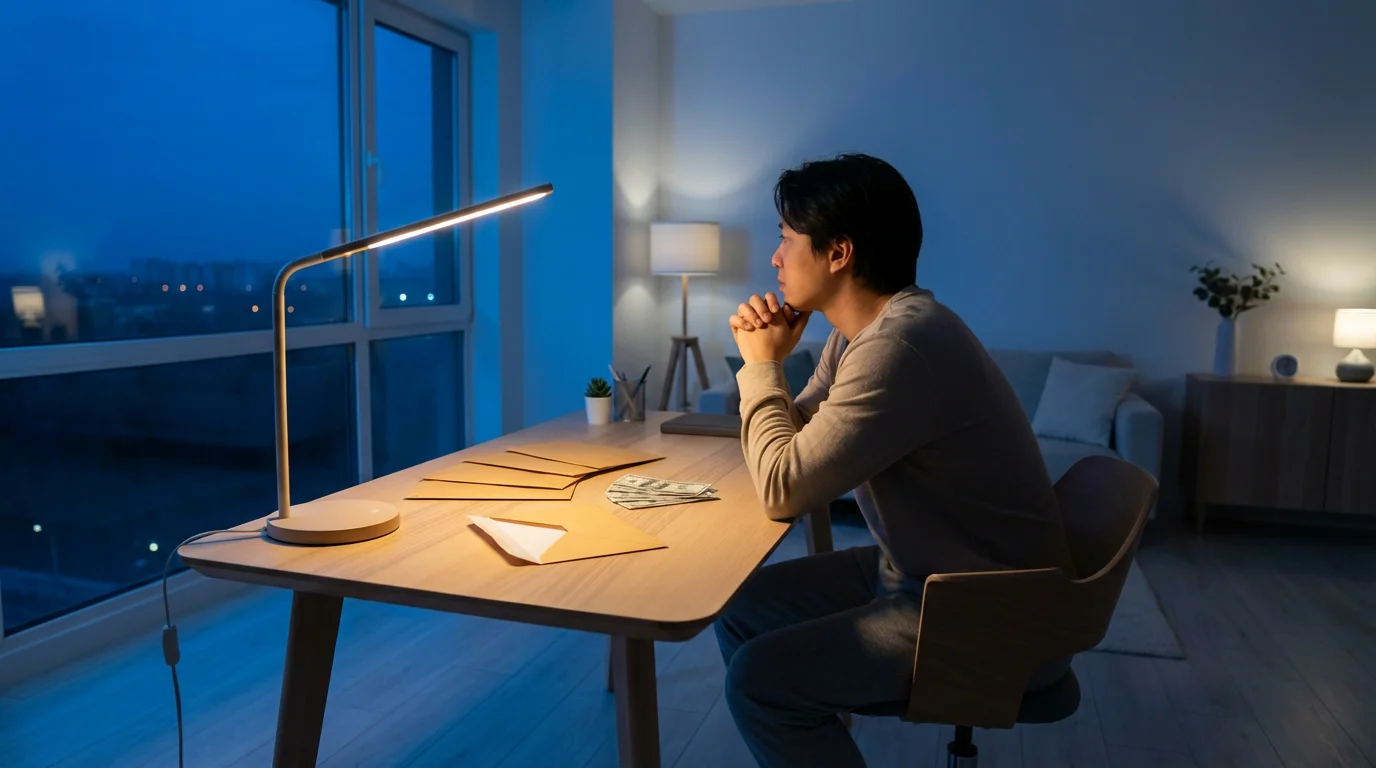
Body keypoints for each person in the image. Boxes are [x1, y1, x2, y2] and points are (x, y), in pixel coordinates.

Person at [716, 153, 1075, 768]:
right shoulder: (859, 333)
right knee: (741, 609)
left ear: (839, 253)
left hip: (984, 608)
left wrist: (761, 364)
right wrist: (775, 359)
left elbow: (783, 486)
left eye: (786, 239)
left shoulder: (900, 347)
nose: (775, 258)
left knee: (759, 681)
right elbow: (799, 440)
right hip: (917, 573)